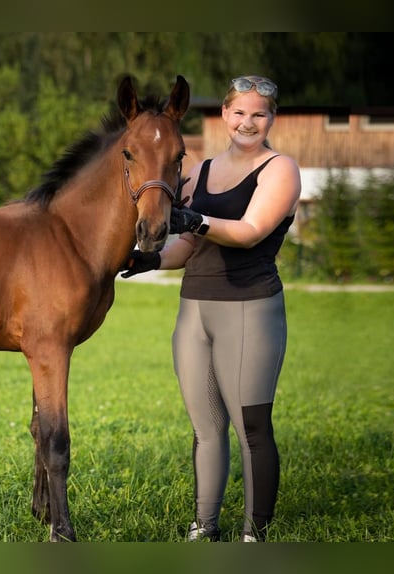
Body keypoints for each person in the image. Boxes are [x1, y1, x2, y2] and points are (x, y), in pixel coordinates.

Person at [122, 75, 301, 542]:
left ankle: (254, 534)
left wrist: (195, 218)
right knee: (206, 429)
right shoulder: (196, 172)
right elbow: (186, 248)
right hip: (194, 313)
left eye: (258, 114)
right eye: (239, 112)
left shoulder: (280, 169)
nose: (248, 122)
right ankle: (205, 527)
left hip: (250, 308)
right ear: (224, 116)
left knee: (251, 428)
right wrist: (150, 260)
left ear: (271, 119)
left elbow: (250, 231)